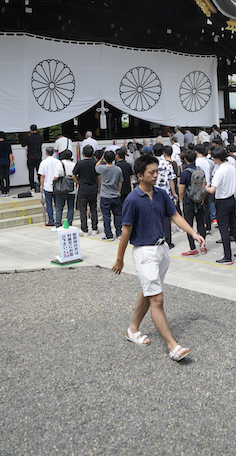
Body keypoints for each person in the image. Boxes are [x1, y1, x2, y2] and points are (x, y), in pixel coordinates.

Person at [112, 154, 205, 361]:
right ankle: (173, 346)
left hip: (162, 250)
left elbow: (175, 216)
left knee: (149, 292)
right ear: (139, 175)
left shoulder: (161, 194)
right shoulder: (132, 200)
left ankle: (132, 330)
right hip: (144, 253)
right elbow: (126, 231)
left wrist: (193, 233)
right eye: (151, 172)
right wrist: (120, 258)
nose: (156, 175)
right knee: (157, 298)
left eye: (157, 171)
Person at [207, 146, 236, 264]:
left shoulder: (219, 171)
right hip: (231, 199)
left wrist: (205, 187)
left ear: (217, 159)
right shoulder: (231, 168)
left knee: (224, 229)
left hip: (222, 202)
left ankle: (227, 256)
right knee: (234, 225)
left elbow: (212, 190)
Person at [178, 149, 208, 257]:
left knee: (189, 225)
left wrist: (182, 201)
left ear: (185, 159)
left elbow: (181, 190)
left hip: (189, 201)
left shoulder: (185, 173)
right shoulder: (200, 170)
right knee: (201, 223)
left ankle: (193, 248)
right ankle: (203, 246)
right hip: (200, 200)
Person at [96, 150, 124, 241]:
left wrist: (102, 158)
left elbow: (96, 166)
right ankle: (119, 232)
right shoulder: (118, 169)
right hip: (115, 195)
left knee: (106, 216)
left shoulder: (102, 168)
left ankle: (109, 235)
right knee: (117, 215)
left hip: (105, 195)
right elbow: (120, 182)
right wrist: (119, 191)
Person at [72, 145, 99, 234]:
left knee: (83, 210)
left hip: (83, 189)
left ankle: (84, 229)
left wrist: (79, 182)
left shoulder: (80, 163)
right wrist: (98, 186)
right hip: (93, 188)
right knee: (93, 208)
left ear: (83, 153)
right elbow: (99, 176)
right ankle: (95, 228)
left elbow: (73, 175)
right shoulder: (96, 163)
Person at [37, 147, 61, 227]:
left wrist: (41, 186)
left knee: (49, 204)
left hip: (47, 186)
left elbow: (42, 176)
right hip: (57, 186)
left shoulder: (43, 162)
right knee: (58, 204)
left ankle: (51, 220)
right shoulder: (58, 162)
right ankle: (58, 220)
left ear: (46, 153)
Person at [53, 149, 76, 229]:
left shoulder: (59, 164)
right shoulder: (74, 164)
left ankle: (58, 223)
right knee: (71, 207)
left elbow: (55, 177)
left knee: (59, 208)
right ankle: (69, 223)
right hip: (71, 189)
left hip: (61, 189)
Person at [20, 125, 45, 193]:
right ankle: (40, 185)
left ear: (30, 130)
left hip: (31, 157)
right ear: (37, 129)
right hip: (38, 156)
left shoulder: (29, 138)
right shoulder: (40, 137)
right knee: (39, 172)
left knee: (31, 172)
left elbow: (23, 144)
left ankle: (32, 187)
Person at [0, 131, 13, 197]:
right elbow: (10, 154)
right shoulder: (8, 144)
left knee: (1, 178)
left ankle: (3, 191)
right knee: (7, 177)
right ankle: (7, 191)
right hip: (6, 161)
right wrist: (11, 162)